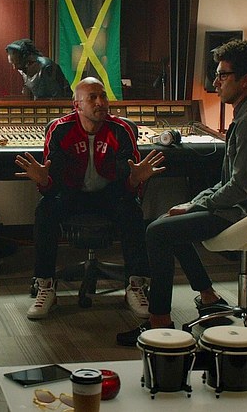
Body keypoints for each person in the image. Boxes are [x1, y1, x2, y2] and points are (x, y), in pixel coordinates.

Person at [116, 39, 247, 346]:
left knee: (157, 232)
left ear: (245, 80)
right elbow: (231, 183)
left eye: (223, 75)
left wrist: (196, 206)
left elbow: (240, 188)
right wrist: (193, 203)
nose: (216, 82)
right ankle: (209, 298)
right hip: (245, 206)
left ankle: (159, 322)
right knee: (169, 221)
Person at [15, 77, 165, 319]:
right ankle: (45, 285)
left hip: (110, 193)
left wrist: (135, 180)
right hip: (72, 193)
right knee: (45, 210)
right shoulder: (60, 129)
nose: (100, 102)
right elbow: (53, 184)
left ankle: (135, 285)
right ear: (77, 105)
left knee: (132, 211)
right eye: (92, 98)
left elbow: (127, 186)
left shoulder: (121, 129)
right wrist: (43, 181)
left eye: (103, 96)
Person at [6, 38, 71, 99]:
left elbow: (58, 97)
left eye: (17, 64)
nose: (15, 68)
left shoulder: (46, 66)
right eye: (13, 64)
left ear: (26, 58)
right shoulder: (23, 69)